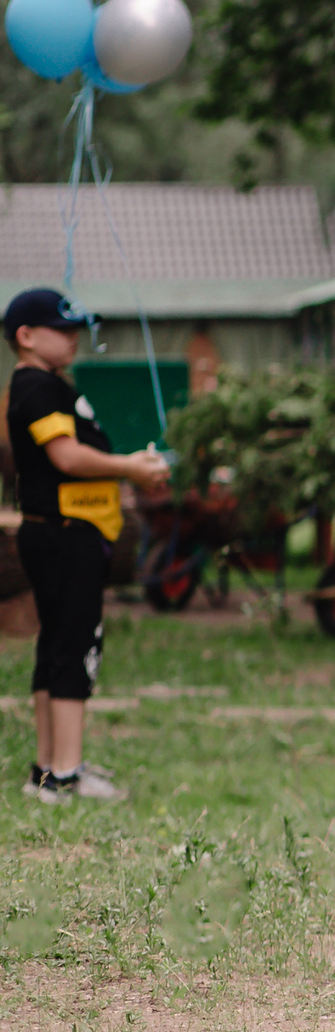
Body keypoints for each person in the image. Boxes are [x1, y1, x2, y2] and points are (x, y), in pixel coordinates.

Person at [9, 288, 169, 804]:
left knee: (57, 645)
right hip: (65, 533)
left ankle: (50, 770)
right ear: (26, 337)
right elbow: (67, 458)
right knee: (76, 647)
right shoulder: (34, 386)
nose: (74, 336)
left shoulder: (48, 385)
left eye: (77, 327)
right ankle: (66, 774)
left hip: (66, 532)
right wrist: (130, 467)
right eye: (62, 328)